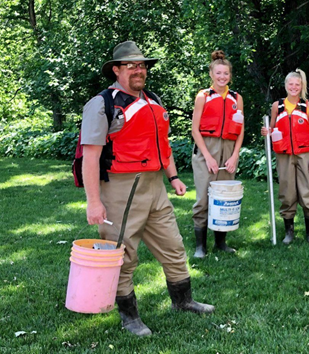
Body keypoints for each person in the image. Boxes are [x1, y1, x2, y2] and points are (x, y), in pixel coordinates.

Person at [81, 41, 214, 336]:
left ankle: (184, 301)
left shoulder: (153, 100)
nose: (138, 70)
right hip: (121, 189)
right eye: (131, 66)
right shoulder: (102, 104)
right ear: (116, 70)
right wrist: (94, 202)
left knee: (174, 246)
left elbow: (161, 145)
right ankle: (130, 317)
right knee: (123, 254)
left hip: (155, 186)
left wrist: (174, 177)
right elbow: (89, 155)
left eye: (141, 65)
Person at [191, 50, 244, 258]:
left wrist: (235, 156)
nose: (222, 77)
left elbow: (241, 130)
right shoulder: (203, 96)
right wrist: (209, 156)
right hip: (207, 148)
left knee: (224, 196)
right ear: (211, 74)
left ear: (230, 75)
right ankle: (200, 246)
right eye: (219, 73)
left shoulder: (236, 98)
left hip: (229, 149)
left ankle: (221, 242)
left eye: (226, 74)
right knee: (204, 197)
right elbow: (195, 130)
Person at [261, 69, 309, 244]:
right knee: (287, 191)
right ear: (286, 86)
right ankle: (289, 232)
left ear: (301, 86)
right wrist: (266, 131)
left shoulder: (308, 106)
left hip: (305, 154)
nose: (294, 87)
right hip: (284, 155)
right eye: (291, 84)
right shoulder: (277, 106)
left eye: (297, 84)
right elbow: (271, 130)